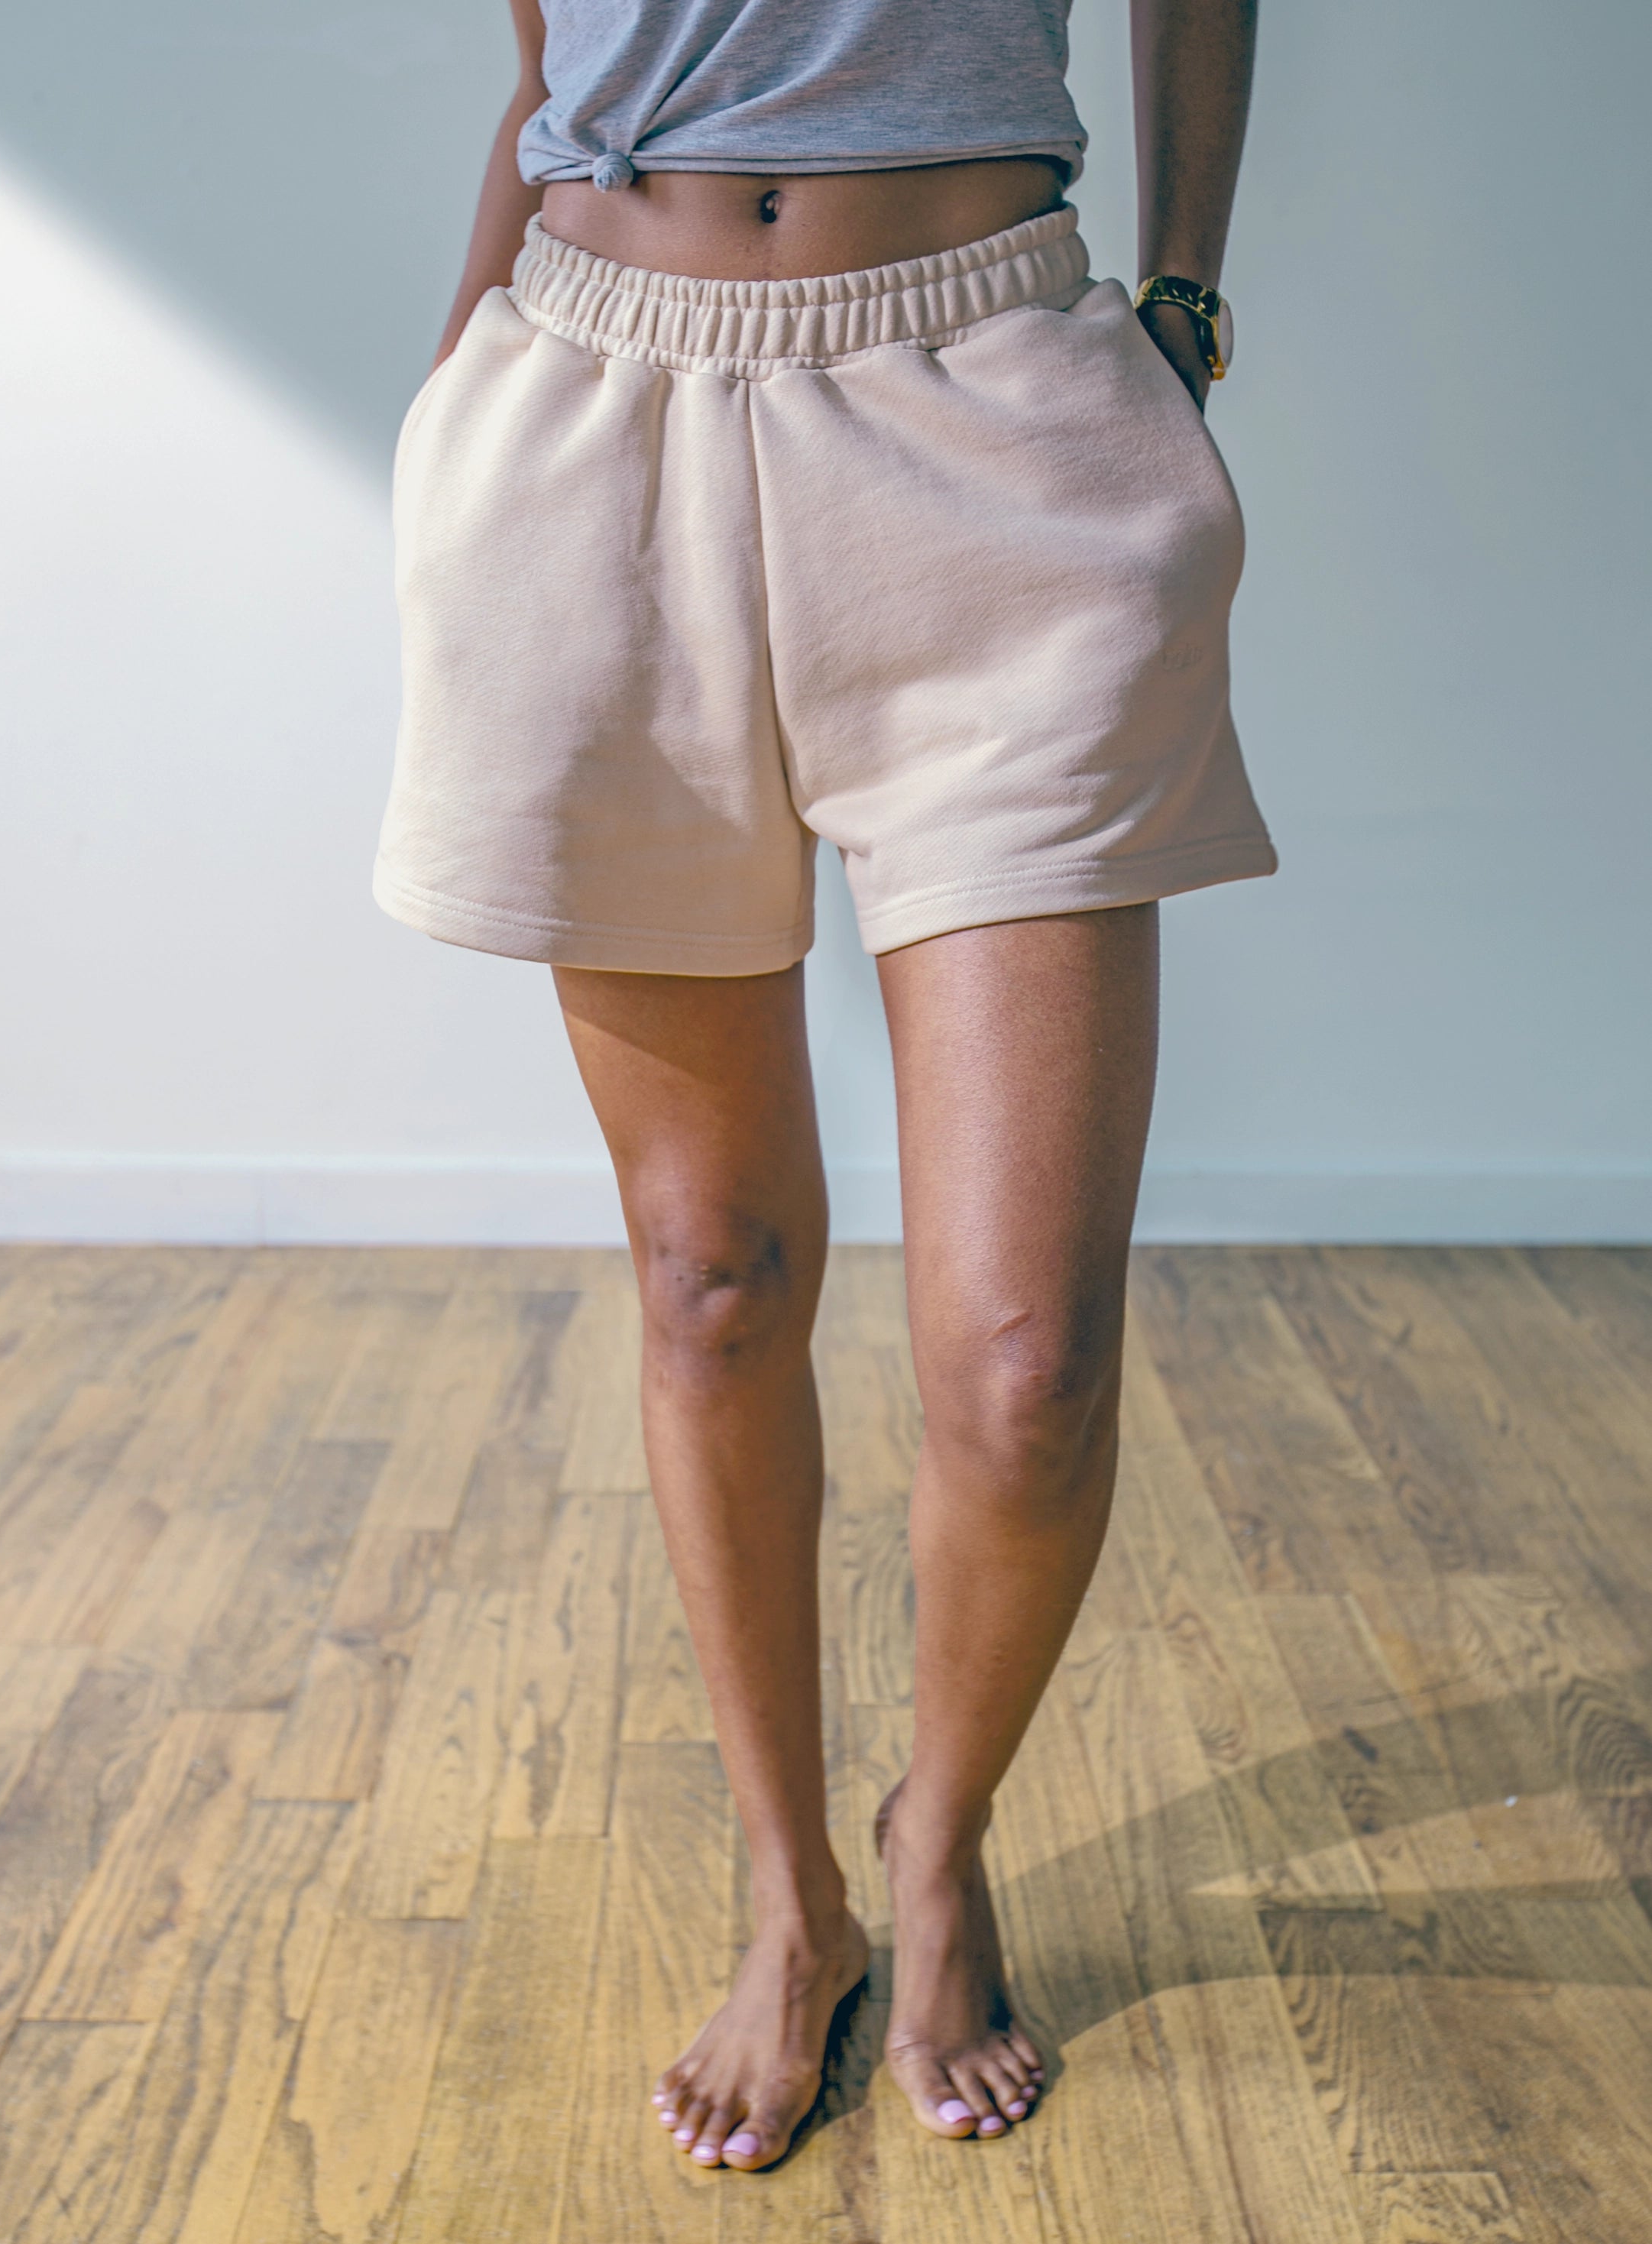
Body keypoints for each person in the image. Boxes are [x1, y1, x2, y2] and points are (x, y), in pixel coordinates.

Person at [375, 0, 1271, 2174]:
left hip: (993, 412)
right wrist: (450, 400)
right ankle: (795, 1896)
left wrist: (1178, 307)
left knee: (1026, 1357)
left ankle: (937, 1842)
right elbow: (550, 54)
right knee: (713, 1272)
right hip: (590, 405)